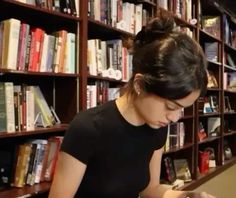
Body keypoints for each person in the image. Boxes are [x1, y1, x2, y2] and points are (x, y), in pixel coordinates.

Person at [49, 11, 216, 198]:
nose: (175, 118)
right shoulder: (87, 128)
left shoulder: (157, 127)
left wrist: (187, 196)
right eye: (171, 107)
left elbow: (149, 190)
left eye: (181, 109)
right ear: (139, 85)